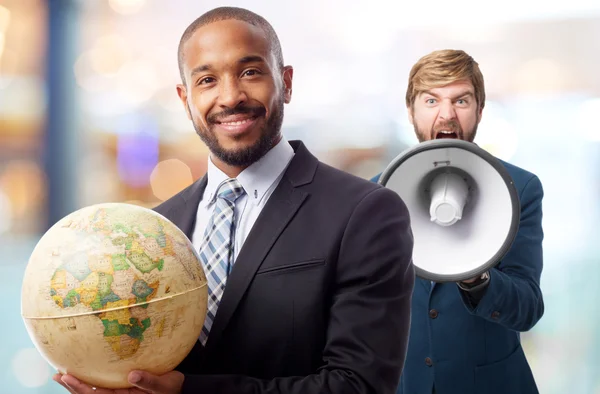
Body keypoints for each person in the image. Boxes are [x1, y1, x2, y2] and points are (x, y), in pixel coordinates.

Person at [53, 6, 415, 394]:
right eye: (207, 80)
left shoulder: (365, 212)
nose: (230, 97)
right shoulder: (157, 231)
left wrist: (189, 392)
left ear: (286, 82)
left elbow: (359, 385)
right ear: (185, 98)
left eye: (250, 72)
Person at [371, 49, 545, 394]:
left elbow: (527, 310)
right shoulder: (373, 195)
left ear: (480, 110)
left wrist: (478, 278)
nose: (446, 116)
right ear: (411, 111)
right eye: (431, 100)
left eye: (461, 101)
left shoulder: (519, 188)